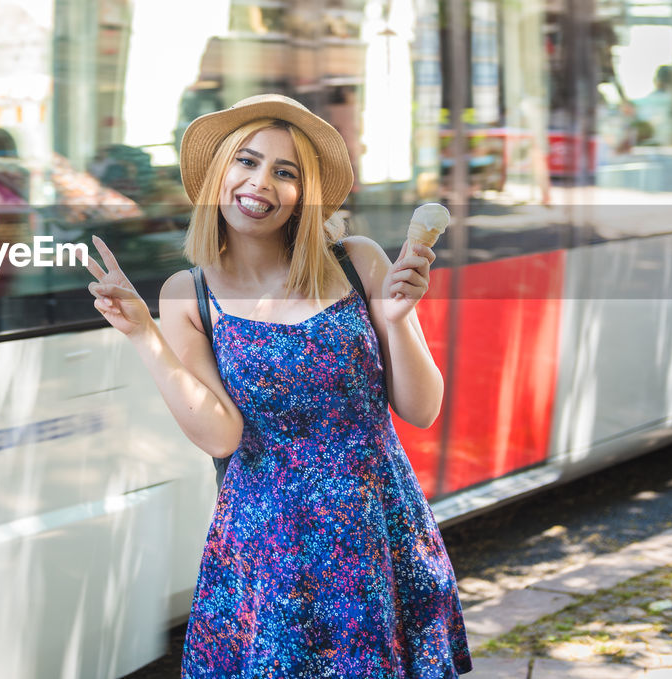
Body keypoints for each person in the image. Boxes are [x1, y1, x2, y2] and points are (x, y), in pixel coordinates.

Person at [85, 94, 471, 677]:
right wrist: (144, 335)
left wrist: (396, 320)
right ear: (220, 173)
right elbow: (220, 436)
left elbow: (422, 409)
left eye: (284, 171)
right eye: (246, 161)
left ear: (303, 193)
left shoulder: (357, 262)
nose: (260, 182)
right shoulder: (186, 295)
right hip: (269, 553)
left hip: (376, 531)